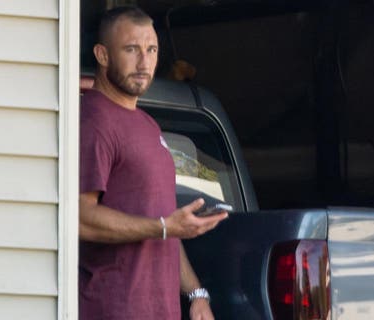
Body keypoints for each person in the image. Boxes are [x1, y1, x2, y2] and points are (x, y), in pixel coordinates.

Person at [78, 6, 229, 320]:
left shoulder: (148, 125)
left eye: (151, 50)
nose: (144, 62)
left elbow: (167, 225)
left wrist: (196, 294)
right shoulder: (93, 120)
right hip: (113, 309)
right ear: (102, 55)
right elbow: (80, 218)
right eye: (131, 49)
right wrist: (163, 227)